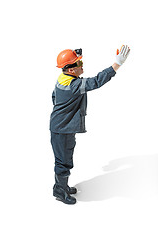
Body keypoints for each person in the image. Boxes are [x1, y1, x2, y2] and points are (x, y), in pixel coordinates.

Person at [50, 45, 130, 204]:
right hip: (62, 129)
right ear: (71, 70)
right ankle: (59, 190)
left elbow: (53, 98)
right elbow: (96, 81)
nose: (82, 65)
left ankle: (62, 186)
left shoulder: (63, 79)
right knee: (63, 161)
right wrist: (116, 64)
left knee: (65, 157)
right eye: (79, 63)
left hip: (62, 127)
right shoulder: (73, 86)